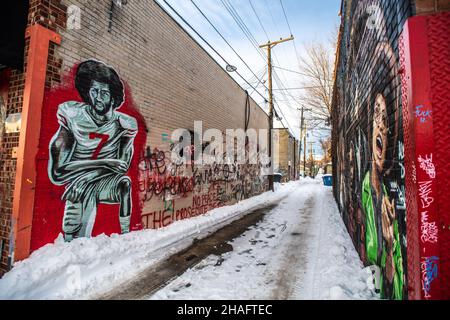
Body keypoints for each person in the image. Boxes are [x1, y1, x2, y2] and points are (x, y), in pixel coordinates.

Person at [48, 60, 138, 241]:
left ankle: (126, 236)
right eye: (94, 91)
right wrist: (105, 163)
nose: (98, 97)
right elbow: (57, 173)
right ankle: (69, 242)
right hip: (77, 180)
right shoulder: (72, 114)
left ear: (113, 98)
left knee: (125, 184)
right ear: (87, 91)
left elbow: (122, 165)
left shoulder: (124, 124)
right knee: (75, 222)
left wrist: (89, 176)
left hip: (100, 179)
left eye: (104, 93)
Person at [361, 93, 404, 299]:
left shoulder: (393, 194)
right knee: (371, 293)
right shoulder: (365, 186)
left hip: (389, 282)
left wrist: (389, 248)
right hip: (371, 265)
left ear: (388, 134)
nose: (380, 124)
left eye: (385, 119)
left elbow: (398, 271)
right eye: (377, 115)